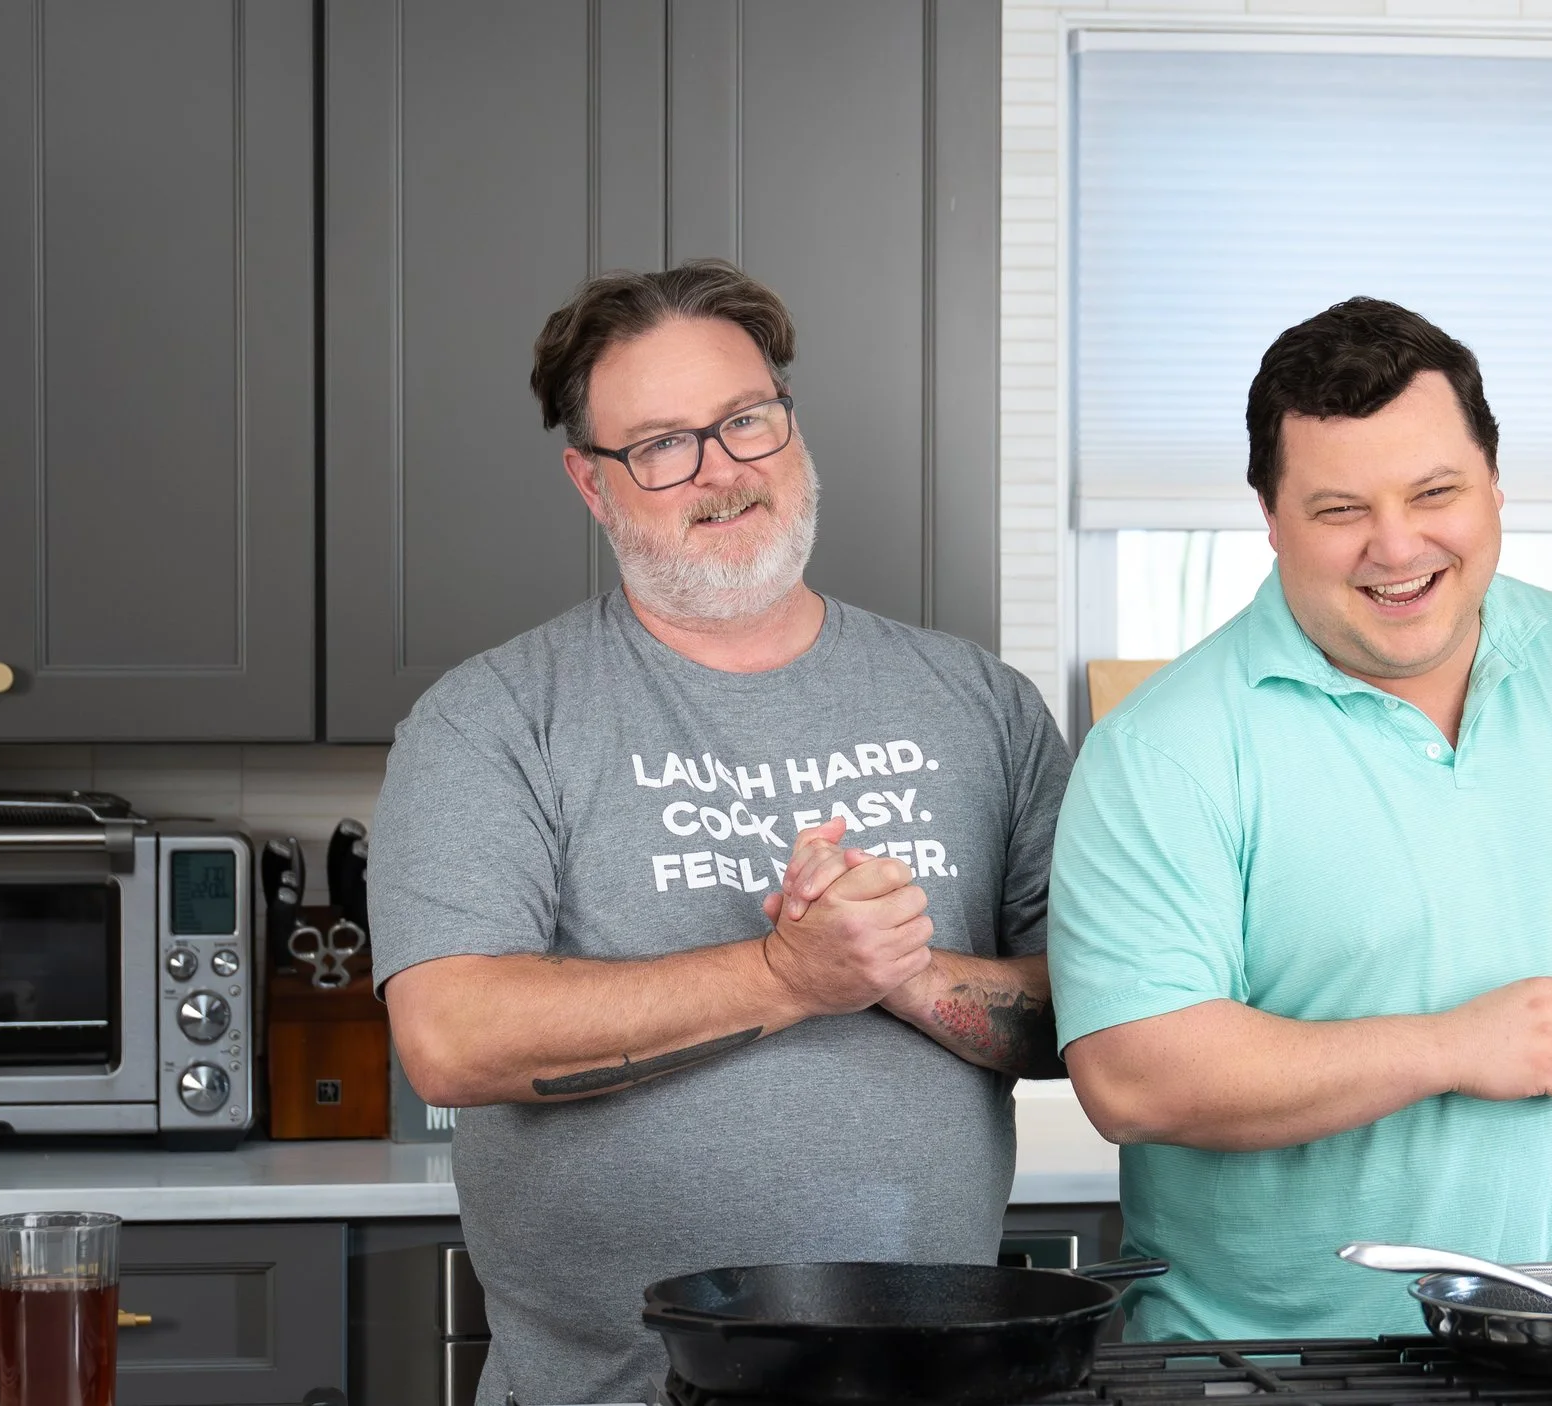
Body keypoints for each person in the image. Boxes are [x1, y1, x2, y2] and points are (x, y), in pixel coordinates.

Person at [369, 259, 1070, 1404]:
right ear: (592, 485)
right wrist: (788, 971)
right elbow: (453, 1035)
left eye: (744, 421)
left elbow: (1085, 1019)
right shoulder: (493, 716)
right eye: (660, 443)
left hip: (931, 1383)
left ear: (788, 424)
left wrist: (900, 973)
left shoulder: (978, 704)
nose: (721, 471)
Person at [1046, 297, 1552, 1340]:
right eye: (1338, 507)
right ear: (1270, 517)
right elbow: (1133, 1074)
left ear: (1494, 482)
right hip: (1275, 1370)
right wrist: (1446, 1047)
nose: (1394, 546)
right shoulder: (1165, 748)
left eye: (1434, 491)